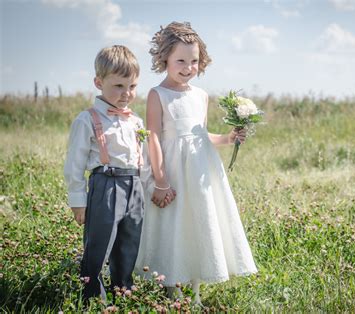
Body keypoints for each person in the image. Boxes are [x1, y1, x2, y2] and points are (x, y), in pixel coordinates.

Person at [135, 22, 257, 305]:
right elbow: (153, 138)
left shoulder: (201, 96)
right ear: (164, 57)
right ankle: (171, 290)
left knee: (198, 224)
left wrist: (227, 138)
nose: (188, 67)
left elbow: (201, 136)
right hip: (172, 173)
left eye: (194, 61)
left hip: (200, 172)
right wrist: (161, 180)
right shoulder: (158, 94)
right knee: (173, 225)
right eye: (181, 60)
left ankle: (195, 292)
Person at [64, 45, 145, 301]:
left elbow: (143, 158)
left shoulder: (135, 121)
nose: (126, 94)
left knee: (129, 243)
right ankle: (92, 296)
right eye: (119, 86)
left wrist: (151, 186)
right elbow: (74, 164)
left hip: (134, 185)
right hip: (105, 185)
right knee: (99, 243)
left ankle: (123, 291)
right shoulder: (87, 119)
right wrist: (78, 201)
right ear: (99, 82)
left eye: (132, 86)